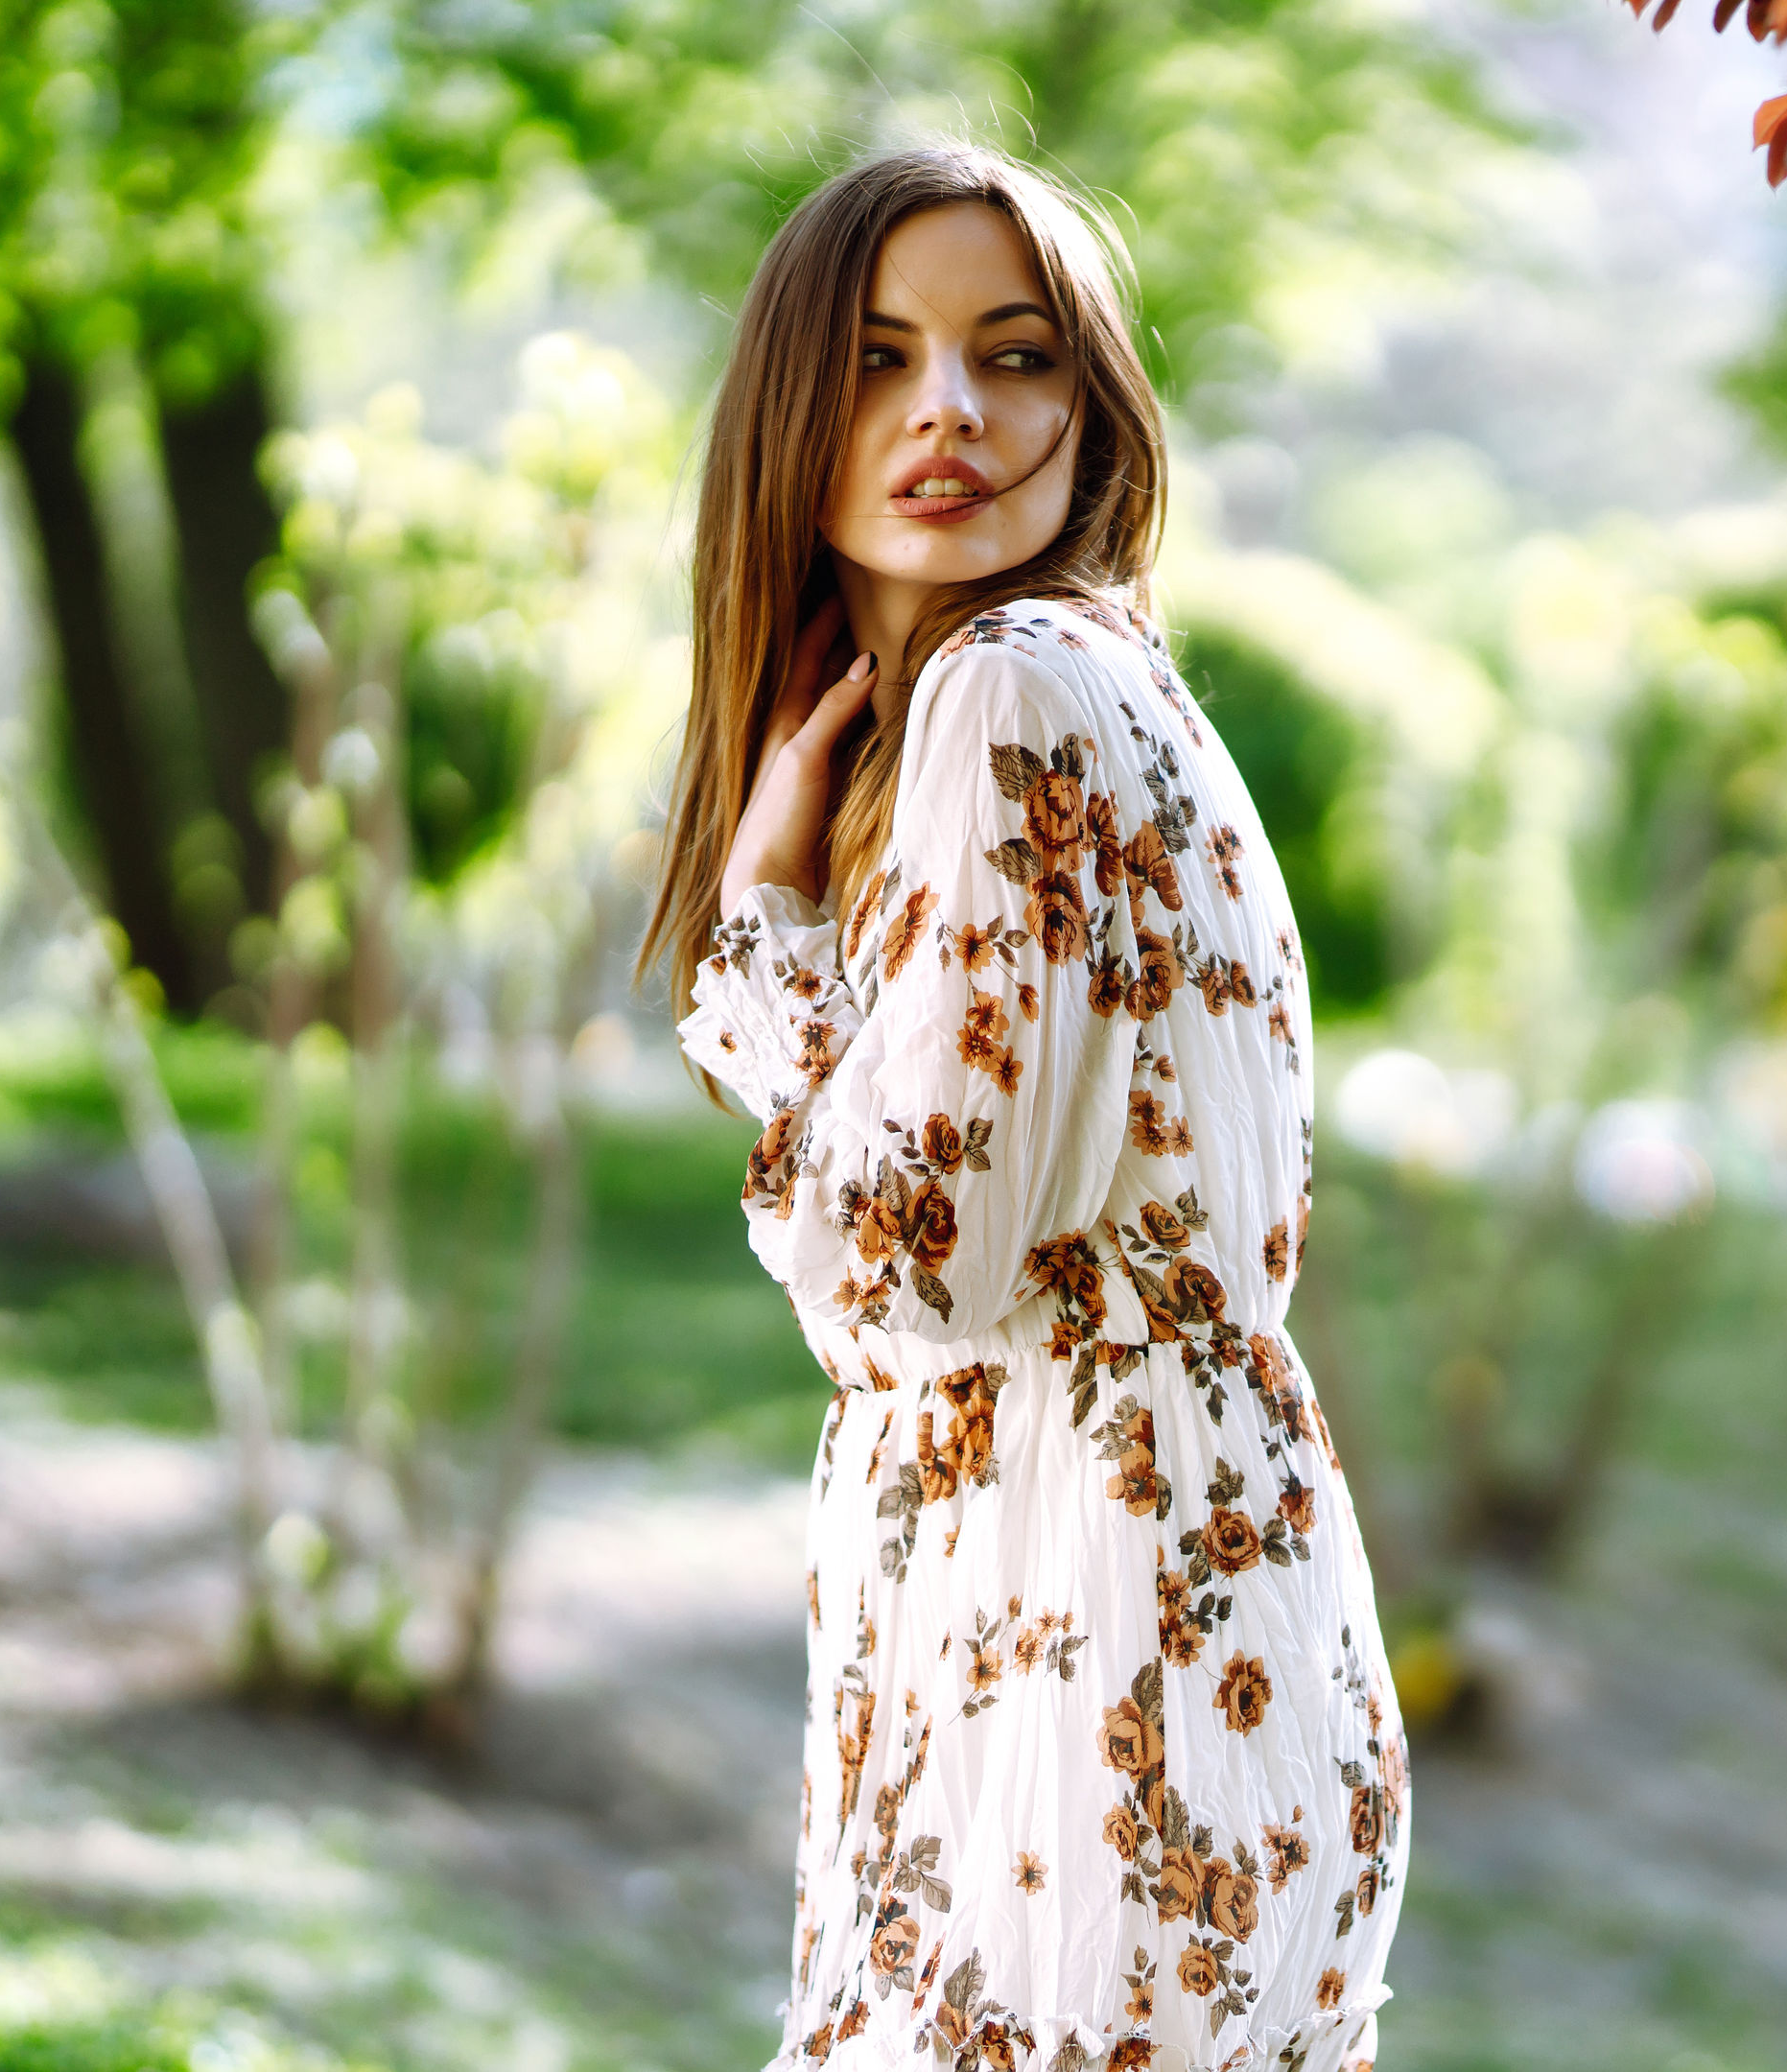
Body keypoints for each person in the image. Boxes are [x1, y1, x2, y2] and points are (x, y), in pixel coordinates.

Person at [640, 145, 1410, 2072]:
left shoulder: (1016, 689)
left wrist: (761, 949)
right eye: (886, 360)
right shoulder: (1083, 682)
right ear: (794, 413)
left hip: (1091, 1652)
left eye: (1016, 356)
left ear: (1099, 410)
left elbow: (916, 1261)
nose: (950, 416)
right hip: (1167, 1611)